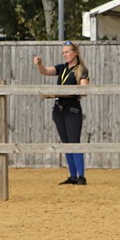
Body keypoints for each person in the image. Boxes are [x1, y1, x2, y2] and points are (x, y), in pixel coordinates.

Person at [33, 41, 91, 185]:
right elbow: (45, 71)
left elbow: (84, 91)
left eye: (67, 52)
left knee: (74, 143)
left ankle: (81, 176)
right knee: (66, 144)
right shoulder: (62, 68)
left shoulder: (81, 70)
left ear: (75, 53)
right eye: (63, 52)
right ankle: (72, 176)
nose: (65, 54)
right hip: (59, 109)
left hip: (72, 109)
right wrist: (39, 64)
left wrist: (66, 92)